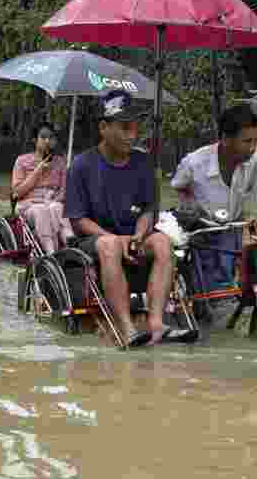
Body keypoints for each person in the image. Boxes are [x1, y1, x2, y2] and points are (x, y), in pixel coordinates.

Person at [64, 91, 195, 348]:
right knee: (109, 246)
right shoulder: (81, 166)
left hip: (135, 235)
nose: (131, 135)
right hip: (95, 240)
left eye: (134, 128)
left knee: (162, 242)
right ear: (104, 127)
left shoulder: (143, 163)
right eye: (124, 128)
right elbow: (78, 220)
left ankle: (156, 323)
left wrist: (139, 232)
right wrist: (112, 238)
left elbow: (148, 208)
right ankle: (127, 328)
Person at [171, 104, 257, 293]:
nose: (252, 147)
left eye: (256, 140)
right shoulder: (195, 163)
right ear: (226, 139)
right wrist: (194, 208)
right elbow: (178, 186)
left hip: (236, 221)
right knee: (215, 281)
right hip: (206, 225)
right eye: (246, 141)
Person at [11, 122, 73, 254]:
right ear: (35, 140)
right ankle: (50, 251)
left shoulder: (60, 162)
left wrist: (53, 200)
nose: (47, 141)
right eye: (43, 137)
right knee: (41, 210)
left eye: (51, 137)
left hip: (53, 203)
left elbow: (64, 191)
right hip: (28, 205)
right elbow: (17, 193)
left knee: (57, 208)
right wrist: (38, 170)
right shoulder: (22, 161)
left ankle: (69, 244)